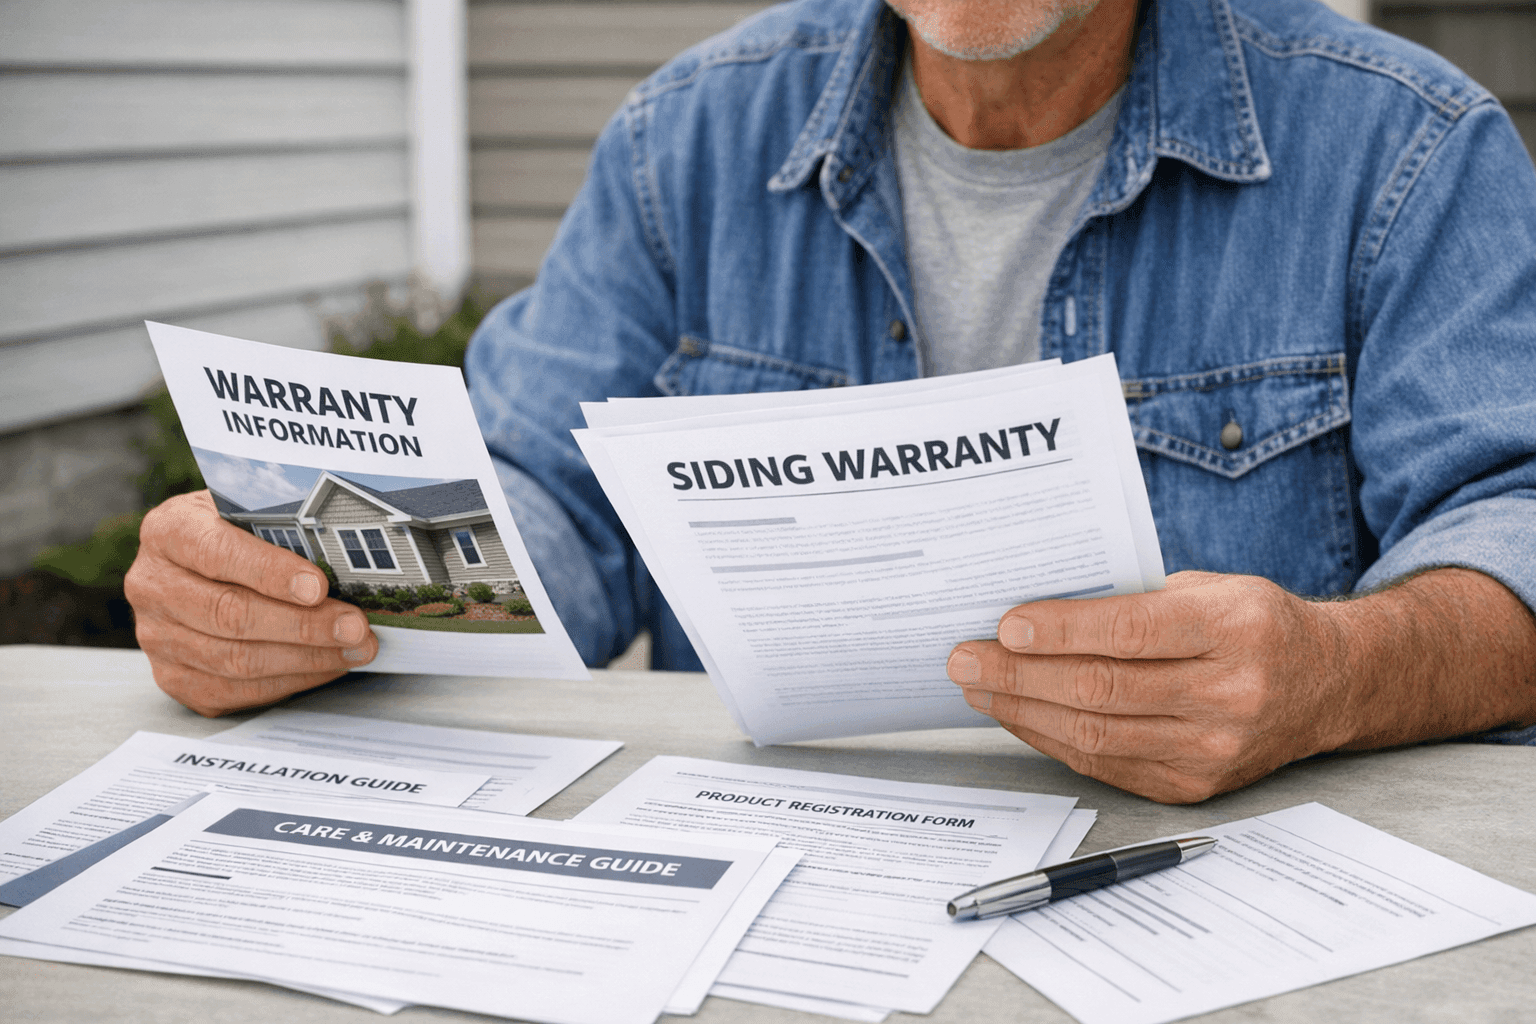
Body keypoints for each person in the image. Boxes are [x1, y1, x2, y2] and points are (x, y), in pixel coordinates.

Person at [125, 0, 1536, 803]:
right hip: (753, 888)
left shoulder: (1407, 148)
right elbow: (540, 499)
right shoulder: (687, 140)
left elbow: (1511, 524)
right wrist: (299, 587)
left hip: (1216, 903)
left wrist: (1337, 676)